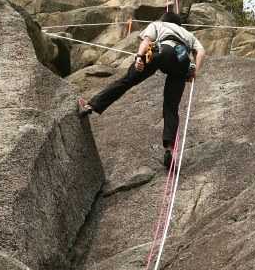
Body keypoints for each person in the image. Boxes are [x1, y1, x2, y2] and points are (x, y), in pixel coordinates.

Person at [79, 11, 206, 168]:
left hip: (163, 51)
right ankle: (169, 150)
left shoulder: (158, 24)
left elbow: (147, 41)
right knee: (171, 107)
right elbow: (201, 52)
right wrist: (195, 72)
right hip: (182, 61)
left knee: (127, 81)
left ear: (164, 19)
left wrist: (139, 57)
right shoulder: (187, 33)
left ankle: (92, 105)